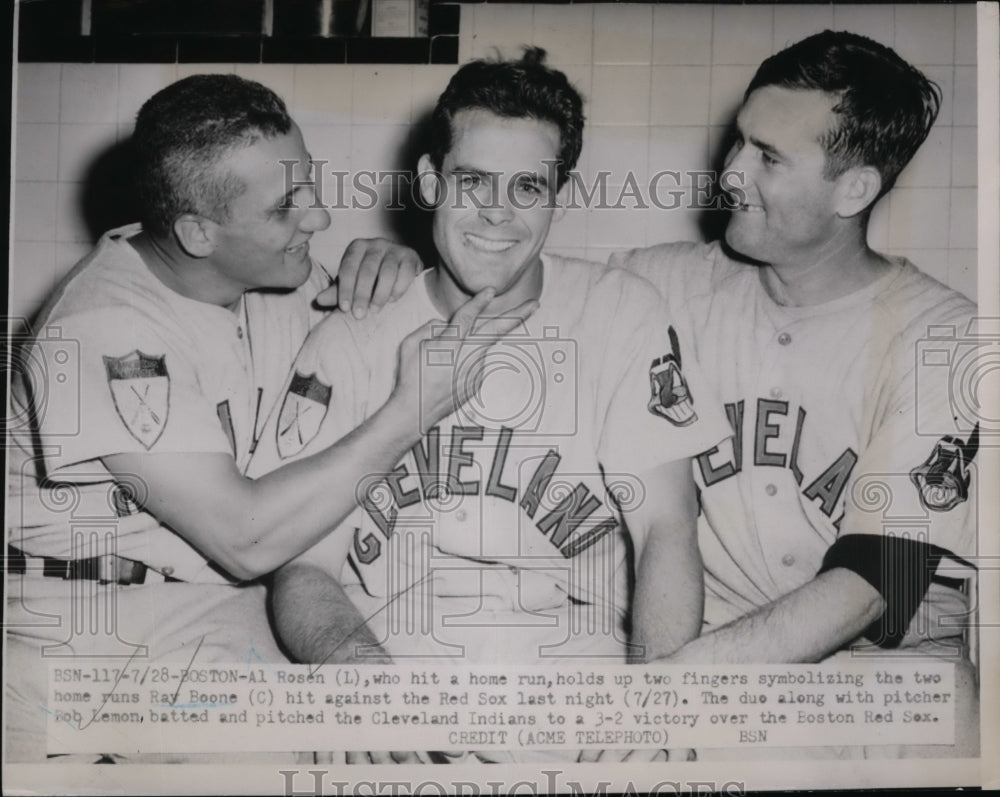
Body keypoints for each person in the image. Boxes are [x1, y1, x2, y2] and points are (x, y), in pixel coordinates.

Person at [5, 73, 530, 762]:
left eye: (309, 185)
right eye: (288, 206)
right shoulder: (103, 328)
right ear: (198, 232)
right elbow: (248, 539)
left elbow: (364, 322)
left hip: (210, 614)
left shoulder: (271, 274)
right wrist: (412, 410)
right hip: (68, 630)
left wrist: (398, 265)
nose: (318, 217)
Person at [248, 48, 730, 763]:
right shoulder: (350, 334)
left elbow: (666, 526)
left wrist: (652, 698)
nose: (498, 214)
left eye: (528, 188)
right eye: (473, 182)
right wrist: (361, 682)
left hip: (577, 686)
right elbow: (303, 567)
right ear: (429, 181)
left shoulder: (621, 310)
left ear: (557, 195)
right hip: (393, 665)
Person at [615, 31, 979, 757]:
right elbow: (510, 297)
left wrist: (668, 695)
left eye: (768, 157)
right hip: (713, 655)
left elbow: (876, 582)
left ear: (855, 188)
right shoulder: (657, 284)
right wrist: (406, 268)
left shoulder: (947, 336)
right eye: (737, 142)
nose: (731, 173)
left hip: (880, 679)